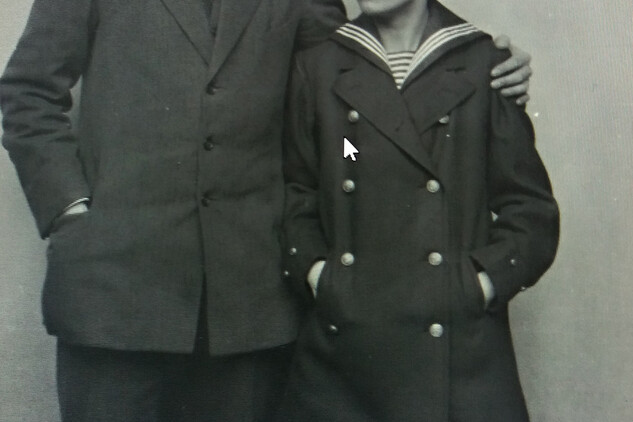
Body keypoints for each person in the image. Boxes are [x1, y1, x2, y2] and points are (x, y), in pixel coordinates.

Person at [0, 0, 533, 421]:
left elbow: (350, 99)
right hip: (111, 295)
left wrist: (474, 64)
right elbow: (28, 91)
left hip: (251, 305)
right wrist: (71, 211)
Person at [278, 0, 560, 421]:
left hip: (457, 353)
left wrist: (475, 285)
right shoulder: (319, 64)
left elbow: (531, 211)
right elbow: (301, 191)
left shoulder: (485, 62)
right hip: (345, 353)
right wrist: (320, 276)